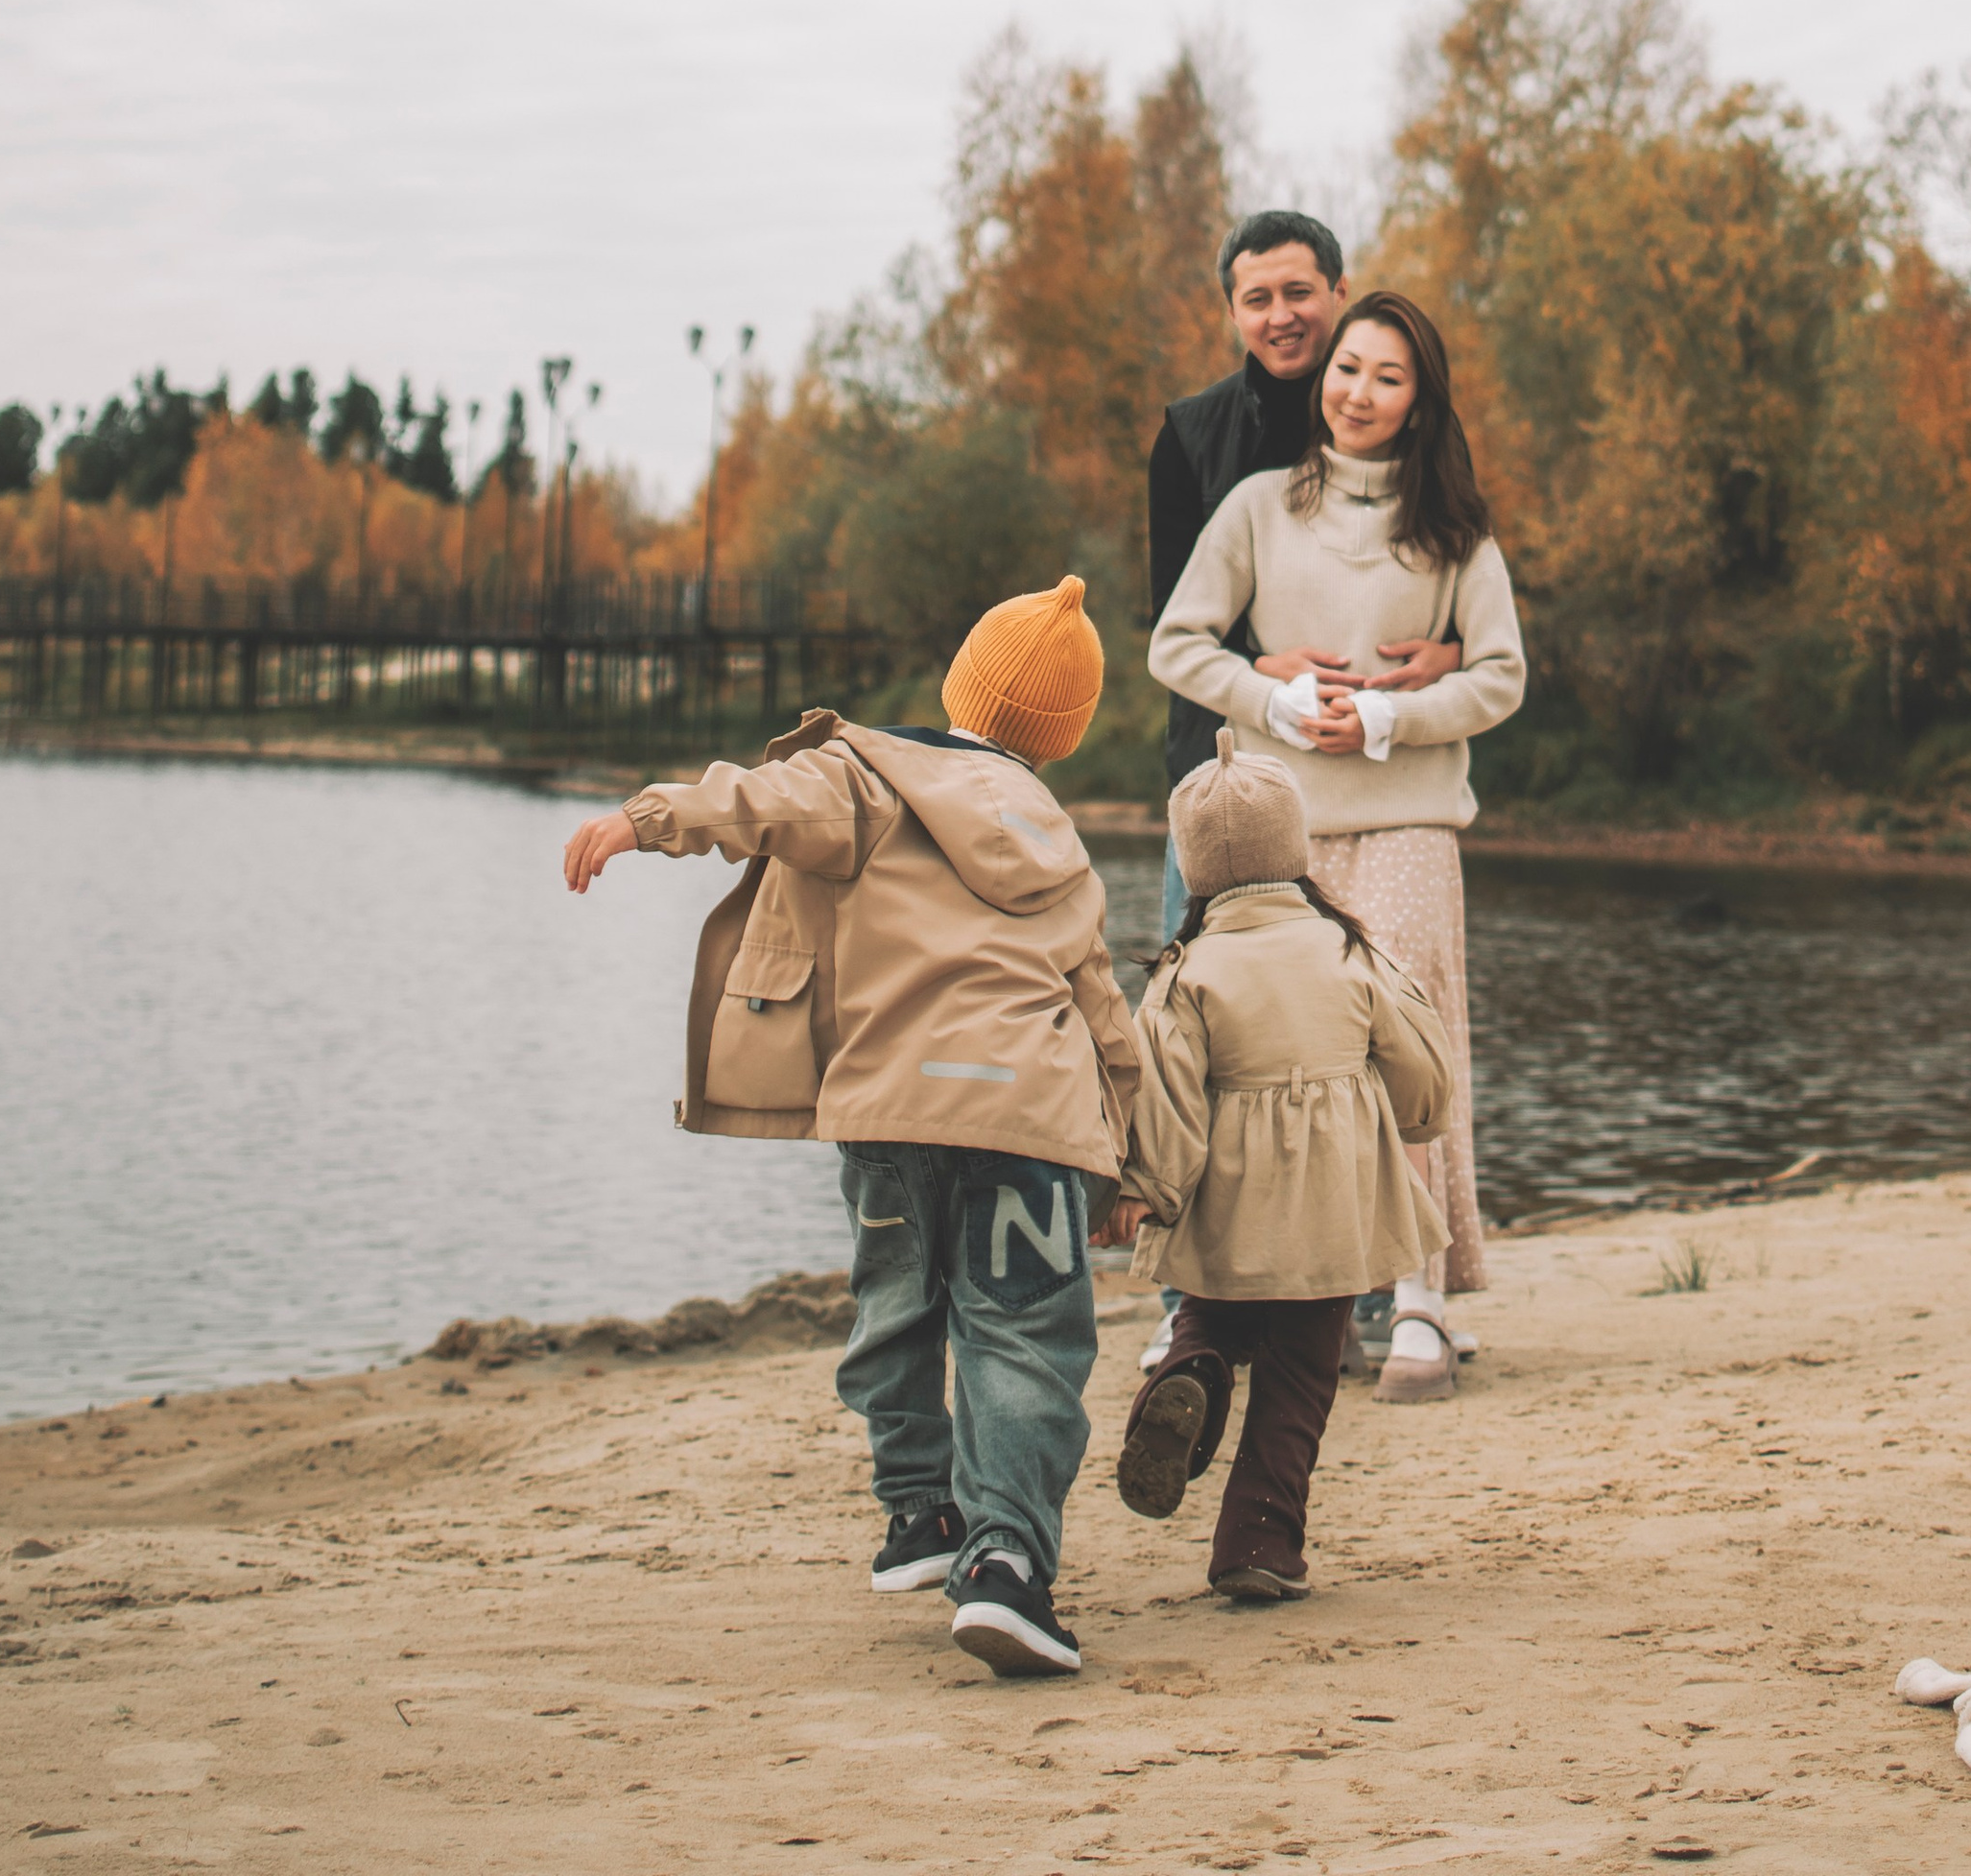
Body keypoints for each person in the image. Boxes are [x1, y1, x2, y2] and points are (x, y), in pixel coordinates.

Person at [559, 575, 1140, 1683]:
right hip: (1029, 1118)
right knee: (1023, 1336)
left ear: (955, 684)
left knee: (893, 1307)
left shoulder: (870, 777)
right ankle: (1007, 1562)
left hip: (891, 1110)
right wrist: (1133, 1167)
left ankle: (918, 1514)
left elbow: (758, 804)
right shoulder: (1059, 841)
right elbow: (1104, 1015)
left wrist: (642, 820)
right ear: (1063, 738)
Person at [1147, 294, 1523, 1402]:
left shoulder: (1455, 532)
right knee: (1287, 1058)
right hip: (1284, 830)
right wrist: (1276, 696)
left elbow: (1500, 677)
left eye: (1386, 376)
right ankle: (1293, 1303)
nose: (1357, 391)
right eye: (1347, 369)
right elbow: (1178, 644)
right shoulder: (1261, 508)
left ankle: (1419, 1300)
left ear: (1419, 401)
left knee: (1408, 1041)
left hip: (1410, 819)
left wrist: (1393, 718)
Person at [1104, 729, 1454, 1601]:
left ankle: (1188, 1373)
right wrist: (1418, 1119)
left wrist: (1144, 1195)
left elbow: (1170, 1108)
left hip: (1230, 1202)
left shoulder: (1186, 974)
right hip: (1333, 1203)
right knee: (1301, 1376)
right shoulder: (1350, 953)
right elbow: (1419, 1070)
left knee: (1211, 1318)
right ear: (1295, 849)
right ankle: (1257, 1541)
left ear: (1194, 868)